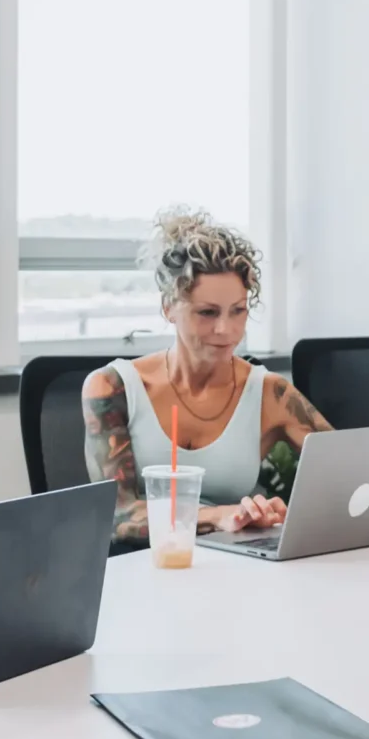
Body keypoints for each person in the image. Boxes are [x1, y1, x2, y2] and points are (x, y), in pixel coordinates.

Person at [81, 207, 333, 547]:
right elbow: (115, 515)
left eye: (238, 311)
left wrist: (279, 511)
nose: (226, 330)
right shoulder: (113, 387)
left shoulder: (270, 394)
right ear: (169, 307)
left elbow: (352, 475)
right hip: (140, 569)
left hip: (235, 570)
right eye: (207, 312)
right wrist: (217, 516)